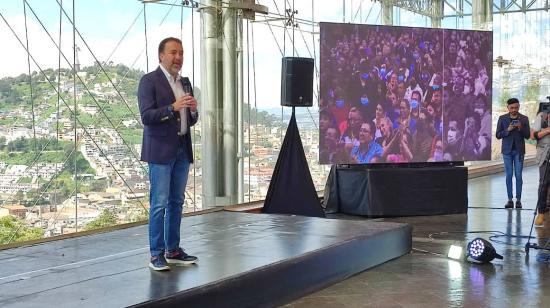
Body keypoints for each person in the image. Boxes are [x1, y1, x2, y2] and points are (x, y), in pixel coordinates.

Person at [138, 37, 198, 271]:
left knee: (176, 202)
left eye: (181, 53)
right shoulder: (149, 81)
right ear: (161, 55)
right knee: (159, 204)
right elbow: (147, 117)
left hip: (182, 147)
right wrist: (172, 108)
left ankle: (173, 249)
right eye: (173, 52)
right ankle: (156, 254)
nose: (178, 57)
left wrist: (192, 111)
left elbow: (190, 120)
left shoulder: (184, 82)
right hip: (161, 151)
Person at [495, 98, 530, 209]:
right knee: (509, 175)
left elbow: (528, 136)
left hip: (519, 151)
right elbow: (498, 135)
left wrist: (520, 128)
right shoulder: (502, 118)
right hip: (507, 151)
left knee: (518, 175)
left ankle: (518, 200)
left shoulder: (524, 119)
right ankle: (510, 200)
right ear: (508, 107)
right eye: (512, 108)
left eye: (516, 107)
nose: (514, 110)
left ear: (519, 107)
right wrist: (508, 130)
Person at [531, 109, 550, 226]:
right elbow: (532, 135)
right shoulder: (542, 117)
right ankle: (541, 213)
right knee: (543, 184)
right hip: (544, 157)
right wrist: (548, 130)